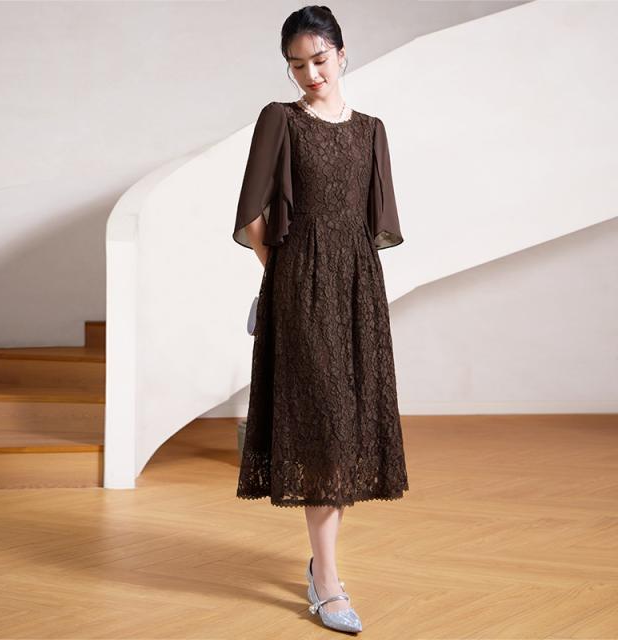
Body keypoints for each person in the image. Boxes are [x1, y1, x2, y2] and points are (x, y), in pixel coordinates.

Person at [232, 5, 409, 633]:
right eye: (296, 65)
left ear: (342, 53)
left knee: (347, 429)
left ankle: (321, 566)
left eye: (319, 59)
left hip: (359, 292)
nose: (310, 73)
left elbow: (370, 225)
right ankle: (328, 582)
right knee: (324, 429)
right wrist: (281, 276)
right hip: (300, 290)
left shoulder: (371, 131)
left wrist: (345, 281)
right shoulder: (279, 121)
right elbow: (253, 216)